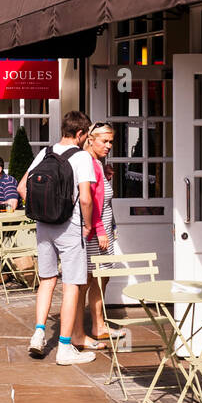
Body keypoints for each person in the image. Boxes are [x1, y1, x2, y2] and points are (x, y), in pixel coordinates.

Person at [18, 110, 97, 367]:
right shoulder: (82, 157)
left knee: (47, 281)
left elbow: (22, 188)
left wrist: (42, 209)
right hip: (69, 226)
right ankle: (64, 347)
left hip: (44, 226)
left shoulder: (45, 152)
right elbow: (85, 197)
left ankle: (39, 333)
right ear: (81, 133)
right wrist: (86, 225)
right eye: (87, 135)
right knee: (72, 284)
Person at [83, 122, 117, 348]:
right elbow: (92, 202)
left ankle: (99, 323)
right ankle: (96, 325)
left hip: (100, 230)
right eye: (104, 141)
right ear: (90, 139)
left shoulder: (95, 163)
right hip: (98, 233)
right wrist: (101, 230)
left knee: (100, 278)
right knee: (94, 278)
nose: (108, 146)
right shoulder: (91, 164)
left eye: (111, 141)